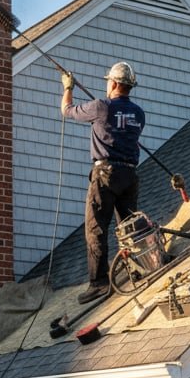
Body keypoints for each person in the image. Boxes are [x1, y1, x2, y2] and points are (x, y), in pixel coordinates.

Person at [61, 61, 146, 303]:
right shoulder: (139, 114)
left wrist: (68, 87)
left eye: (109, 81)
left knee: (96, 228)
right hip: (130, 175)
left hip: (106, 174)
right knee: (129, 225)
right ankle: (139, 268)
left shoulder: (101, 107)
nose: (107, 84)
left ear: (115, 83)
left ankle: (98, 283)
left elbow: (67, 111)